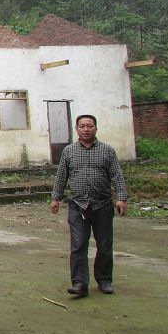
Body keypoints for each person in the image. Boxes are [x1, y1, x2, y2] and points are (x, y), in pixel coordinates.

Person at [50, 114, 128, 297]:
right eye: (82, 126)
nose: (86, 129)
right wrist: (55, 198)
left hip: (102, 205)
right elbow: (61, 176)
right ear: (76, 129)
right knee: (78, 245)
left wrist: (121, 198)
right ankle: (79, 284)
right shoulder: (69, 151)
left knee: (104, 245)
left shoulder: (107, 151)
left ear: (95, 128)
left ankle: (104, 280)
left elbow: (117, 175)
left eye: (90, 126)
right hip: (78, 205)